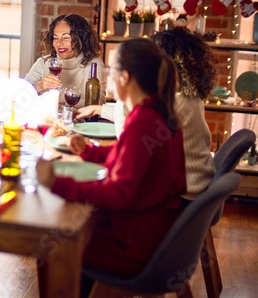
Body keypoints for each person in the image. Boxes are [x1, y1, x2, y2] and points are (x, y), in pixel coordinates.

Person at [36, 38, 187, 297]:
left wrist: (57, 184)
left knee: (51, 247)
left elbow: (120, 194)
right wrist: (90, 151)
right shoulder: (155, 113)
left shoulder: (143, 122)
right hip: (156, 233)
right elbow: (129, 155)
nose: (109, 77)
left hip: (136, 245)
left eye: (111, 71)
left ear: (125, 77)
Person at [77, 27, 217, 196]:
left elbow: (127, 142)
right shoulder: (186, 97)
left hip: (179, 196)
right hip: (192, 186)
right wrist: (101, 109)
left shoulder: (175, 104)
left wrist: (125, 91)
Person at [24, 14, 106, 108]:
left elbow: (99, 102)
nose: (59, 43)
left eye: (66, 37)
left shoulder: (93, 63)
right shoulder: (43, 63)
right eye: (55, 38)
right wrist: (40, 86)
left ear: (81, 39)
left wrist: (53, 101)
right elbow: (21, 95)